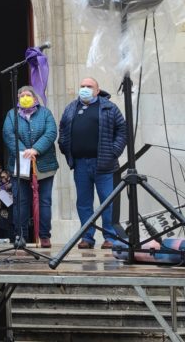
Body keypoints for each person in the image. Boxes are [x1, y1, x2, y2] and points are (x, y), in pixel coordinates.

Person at [58, 77, 127, 249]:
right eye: (82, 86)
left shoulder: (109, 107)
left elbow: (123, 130)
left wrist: (114, 151)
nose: (85, 89)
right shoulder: (71, 108)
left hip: (104, 163)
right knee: (83, 202)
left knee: (107, 201)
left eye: (89, 86)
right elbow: (63, 129)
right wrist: (65, 148)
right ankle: (87, 237)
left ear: (97, 90)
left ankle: (110, 237)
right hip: (80, 164)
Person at [3, 85, 58, 248]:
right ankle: (21, 235)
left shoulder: (45, 113)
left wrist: (36, 149)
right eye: (21, 95)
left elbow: (51, 133)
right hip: (20, 165)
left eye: (28, 95)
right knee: (21, 201)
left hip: (44, 165)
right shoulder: (11, 115)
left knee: (44, 201)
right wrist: (25, 152)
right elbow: (8, 135)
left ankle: (44, 235)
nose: (24, 97)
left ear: (35, 98)